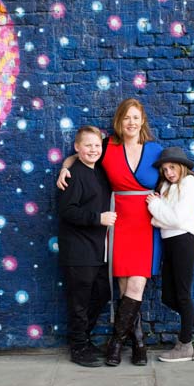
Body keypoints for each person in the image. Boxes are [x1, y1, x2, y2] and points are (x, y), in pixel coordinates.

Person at [57, 98, 163, 367]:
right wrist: (64, 167)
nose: (131, 122)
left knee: (137, 284)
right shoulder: (107, 147)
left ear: (143, 120)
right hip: (118, 221)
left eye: (136, 117)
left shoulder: (155, 149)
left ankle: (119, 342)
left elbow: (178, 172)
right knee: (124, 286)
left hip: (145, 221)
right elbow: (82, 153)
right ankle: (137, 342)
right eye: (126, 117)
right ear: (119, 120)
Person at [146, 147, 194, 362]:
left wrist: (156, 207)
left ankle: (185, 344)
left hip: (182, 242)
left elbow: (178, 220)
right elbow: (169, 218)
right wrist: (161, 217)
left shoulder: (188, 183)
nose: (169, 172)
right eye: (164, 169)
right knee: (169, 297)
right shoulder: (168, 186)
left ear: (182, 166)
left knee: (182, 294)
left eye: (172, 167)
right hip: (169, 242)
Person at [56, 126, 117, 367]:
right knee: (79, 302)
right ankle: (78, 347)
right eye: (88, 145)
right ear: (77, 147)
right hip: (78, 250)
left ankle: (83, 338)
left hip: (96, 249)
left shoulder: (99, 171)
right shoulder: (74, 175)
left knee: (102, 293)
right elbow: (66, 211)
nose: (93, 149)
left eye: (97, 146)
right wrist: (97, 218)